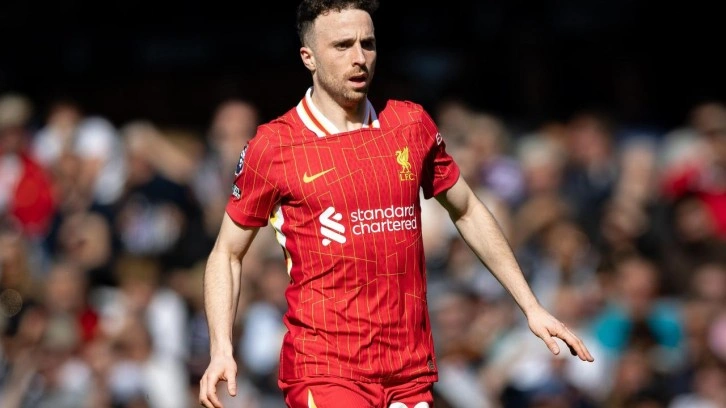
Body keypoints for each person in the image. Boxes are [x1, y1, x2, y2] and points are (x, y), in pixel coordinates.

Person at [199, 1, 595, 407]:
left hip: (409, 372)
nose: (359, 58)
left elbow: (467, 209)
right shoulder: (274, 146)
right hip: (326, 370)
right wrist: (221, 348)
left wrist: (531, 306)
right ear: (309, 57)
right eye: (342, 46)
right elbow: (227, 253)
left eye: (367, 44)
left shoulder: (409, 124)